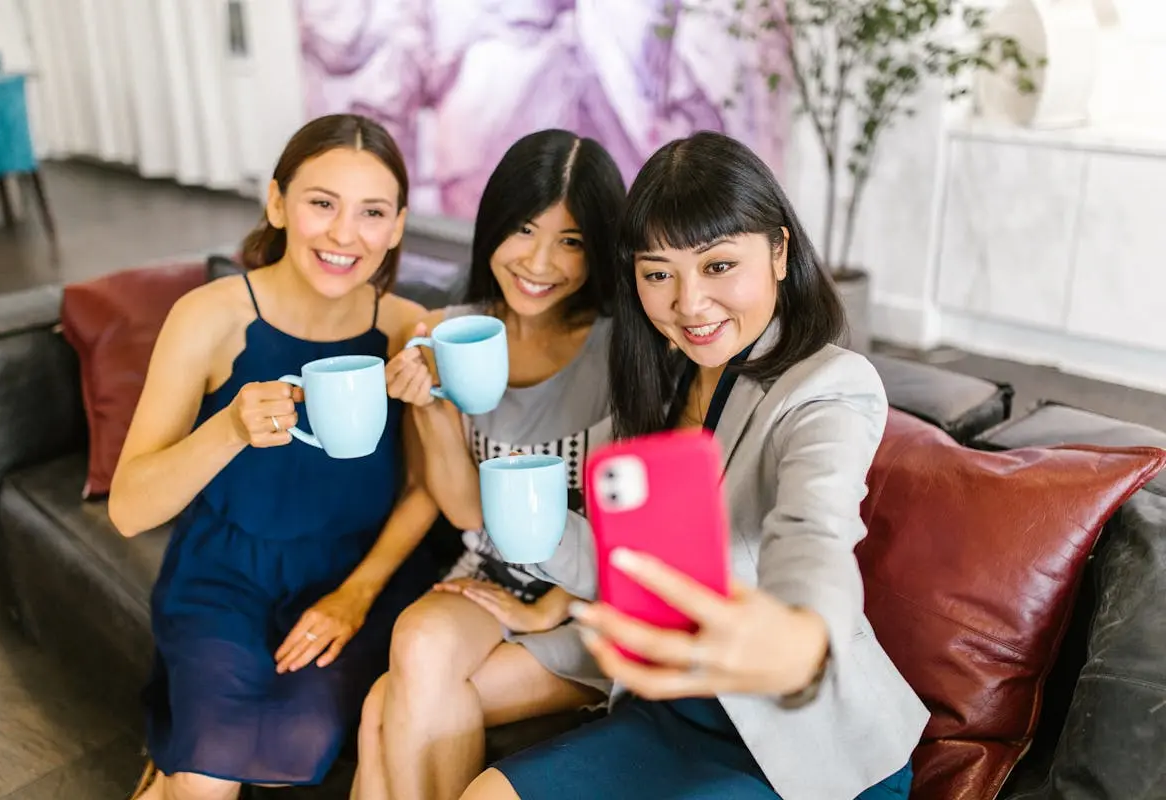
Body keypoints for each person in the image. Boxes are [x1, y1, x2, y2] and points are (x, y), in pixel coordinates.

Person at [461, 131, 930, 800]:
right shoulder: (653, 392)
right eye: (658, 274)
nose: (688, 303)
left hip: (799, 747)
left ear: (778, 251)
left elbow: (815, 529)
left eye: (717, 266)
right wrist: (529, 526)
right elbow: (627, 572)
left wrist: (801, 638)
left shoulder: (827, 386)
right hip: (667, 713)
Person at [110, 114, 442, 800]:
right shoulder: (209, 318)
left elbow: (424, 488)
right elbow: (128, 508)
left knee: (279, 743)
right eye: (322, 203)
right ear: (277, 203)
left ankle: (168, 753)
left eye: (372, 212)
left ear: (399, 226)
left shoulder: (411, 331)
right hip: (223, 573)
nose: (345, 234)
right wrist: (228, 429)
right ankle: (177, 758)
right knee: (204, 782)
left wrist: (356, 595)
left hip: (352, 578)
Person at [352, 128, 626, 800]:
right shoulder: (448, 332)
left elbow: (644, 520)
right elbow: (467, 512)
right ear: (492, 227)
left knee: (385, 706)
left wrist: (555, 605)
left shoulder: (627, 350)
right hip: (489, 573)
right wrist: (433, 408)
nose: (540, 262)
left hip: (594, 597)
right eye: (524, 230)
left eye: (572, 242)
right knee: (415, 639)